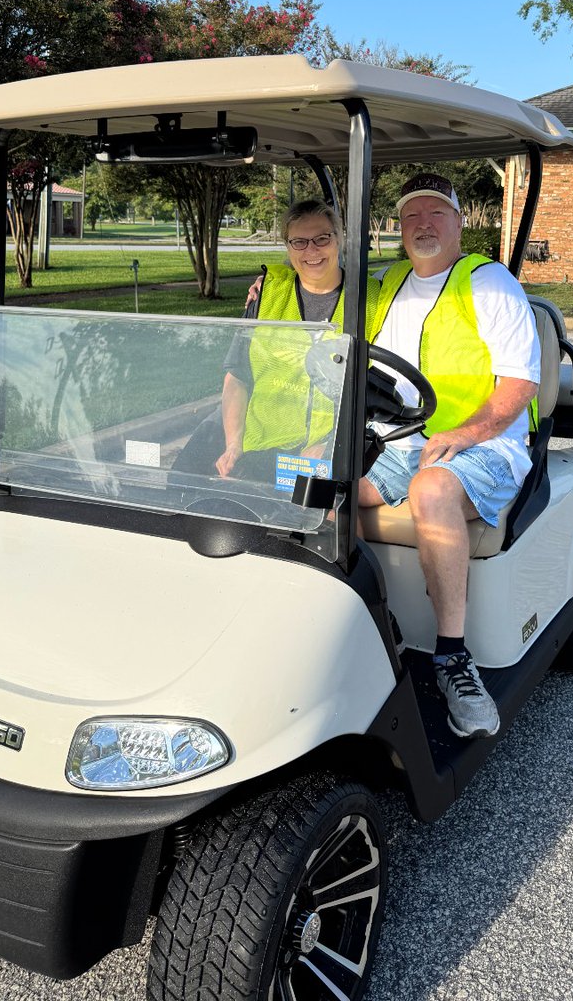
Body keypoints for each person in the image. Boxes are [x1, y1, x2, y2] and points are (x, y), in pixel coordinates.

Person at [361, 172, 540, 739]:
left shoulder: (489, 284)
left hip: (485, 444)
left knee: (431, 488)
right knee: (318, 488)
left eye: (436, 213)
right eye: (412, 215)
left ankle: (452, 659)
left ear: (459, 222)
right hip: (397, 439)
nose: (423, 225)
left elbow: (520, 386)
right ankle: (366, 627)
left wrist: (464, 434)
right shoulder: (388, 284)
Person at [171, 198, 378, 482]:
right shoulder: (267, 294)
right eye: (299, 242)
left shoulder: (371, 299)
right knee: (189, 484)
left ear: (338, 239)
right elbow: (237, 375)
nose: (312, 250)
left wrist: (333, 445)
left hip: (327, 451)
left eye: (321, 238)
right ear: (287, 246)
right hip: (262, 447)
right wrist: (233, 444)